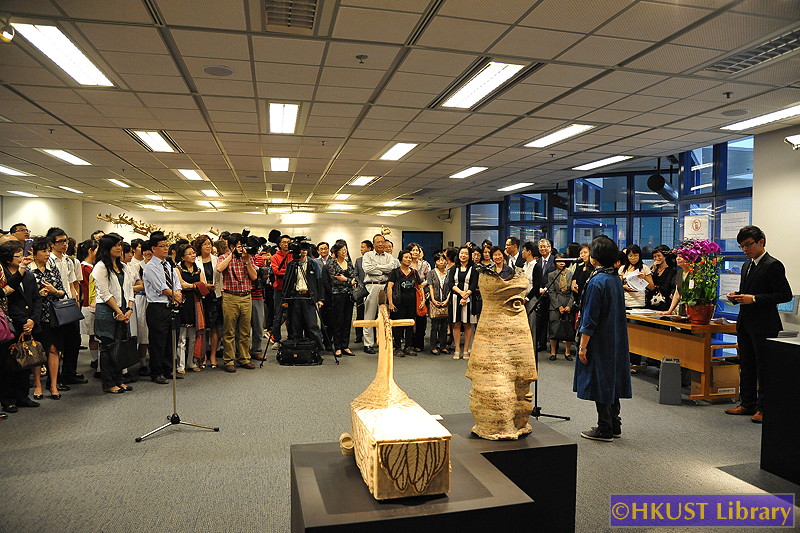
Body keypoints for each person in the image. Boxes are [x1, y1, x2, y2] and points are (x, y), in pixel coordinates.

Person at [724, 225, 792, 424]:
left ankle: (765, 408)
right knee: (746, 365)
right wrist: (736, 296)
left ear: (761, 242)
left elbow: (784, 295)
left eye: (748, 245)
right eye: (741, 246)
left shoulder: (773, 265)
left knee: (764, 368)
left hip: (765, 325)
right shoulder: (747, 265)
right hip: (746, 323)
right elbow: (749, 292)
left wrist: (754, 299)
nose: (745, 249)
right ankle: (747, 404)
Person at [574, 236, 632, 442]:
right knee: (611, 380)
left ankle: (604, 427)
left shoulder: (597, 281)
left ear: (595, 258)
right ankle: (615, 424)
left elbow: (590, 318)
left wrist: (583, 346)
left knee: (599, 381)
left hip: (600, 340)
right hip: (615, 338)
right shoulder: (614, 278)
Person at [0, 240, 41, 413]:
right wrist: (23, 321)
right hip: (12, 325)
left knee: (26, 360)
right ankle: (8, 399)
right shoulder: (4, 277)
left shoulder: (29, 274)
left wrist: (33, 319)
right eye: (18, 255)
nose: (23, 258)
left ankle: (23, 395)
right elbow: (7, 300)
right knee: (8, 364)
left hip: (29, 323)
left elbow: (36, 298)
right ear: (8, 259)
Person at [92, 234, 135, 394]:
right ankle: (109, 383)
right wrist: (118, 311)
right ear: (106, 247)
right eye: (116, 245)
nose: (119, 248)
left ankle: (119, 380)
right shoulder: (101, 267)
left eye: (120, 244)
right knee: (108, 347)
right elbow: (104, 293)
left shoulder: (123, 267)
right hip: (107, 311)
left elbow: (130, 289)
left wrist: (129, 309)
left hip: (123, 310)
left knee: (120, 347)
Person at [29, 237, 68, 400]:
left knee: (54, 350)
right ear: (34, 253)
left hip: (53, 315)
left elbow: (62, 292)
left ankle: (53, 384)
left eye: (48, 251)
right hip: (37, 316)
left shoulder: (52, 270)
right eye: (43, 251)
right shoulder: (29, 271)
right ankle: (37, 385)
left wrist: (53, 291)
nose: (47, 254)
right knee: (38, 351)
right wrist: (38, 294)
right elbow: (24, 296)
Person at [46, 228, 85, 386]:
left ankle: (70, 372)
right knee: (57, 344)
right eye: (60, 241)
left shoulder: (69, 260)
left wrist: (76, 299)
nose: (64, 244)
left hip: (69, 304)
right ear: (52, 244)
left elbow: (73, 282)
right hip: (54, 306)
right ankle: (55, 379)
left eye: (66, 241)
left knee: (74, 341)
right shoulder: (49, 260)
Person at [143, 232, 183, 384]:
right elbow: (162, 288)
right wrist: (175, 295)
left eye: (167, 245)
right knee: (158, 342)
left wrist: (178, 292)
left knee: (170, 341)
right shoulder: (150, 267)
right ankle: (157, 372)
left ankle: (168, 370)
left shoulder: (168, 264)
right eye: (162, 246)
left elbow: (176, 282)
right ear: (153, 248)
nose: (166, 248)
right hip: (157, 308)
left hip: (172, 306)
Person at [217, 233, 258, 372]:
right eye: (240, 246)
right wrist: (232, 255)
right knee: (229, 331)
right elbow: (219, 269)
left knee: (245, 331)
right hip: (230, 297)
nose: (242, 249)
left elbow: (254, 277)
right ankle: (229, 360)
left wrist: (246, 261)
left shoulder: (248, 257)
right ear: (233, 246)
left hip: (246, 296)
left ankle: (244, 358)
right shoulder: (223, 257)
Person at [282, 245, 325, 351]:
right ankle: (297, 349)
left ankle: (317, 348)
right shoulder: (292, 264)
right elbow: (286, 282)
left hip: (309, 296)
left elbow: (319, 281)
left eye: (306, 249)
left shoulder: (313, 263)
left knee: (312, 325)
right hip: (295, 296)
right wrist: (285, 300)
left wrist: (320, 299)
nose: (304, 252)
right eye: (301, 249)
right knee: (295, 324)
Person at [619, 244, 655, 371]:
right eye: (630, 255)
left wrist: (643, 277)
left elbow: (651, 287)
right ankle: (624, 361)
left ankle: (635, 361)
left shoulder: (644, 268)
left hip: (638, 304)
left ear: (639, 256)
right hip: (624, 303)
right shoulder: (622, 269)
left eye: (635, 255)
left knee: (636, 334)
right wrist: (624, 286)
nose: (633, 258)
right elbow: (617, 284)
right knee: (624, 333)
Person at [361, 234, 398, 354]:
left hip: (386, 287)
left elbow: (392, 268)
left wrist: (376, 267)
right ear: (373, 244)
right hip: (372, 286)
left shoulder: (389, 256)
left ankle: (384, 341)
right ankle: (368, 344)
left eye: (382, 242)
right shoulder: (368, 255)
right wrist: (384, 269)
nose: (381, 244)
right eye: (378, 242)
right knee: (369, 315)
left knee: (385, 316)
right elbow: (367, 269)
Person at [175, 243, 206, 374]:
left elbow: (203, 284)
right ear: (182, 257)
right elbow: (181, 285)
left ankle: (191, 362)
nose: (193, 255)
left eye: (194, 253)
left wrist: (193, 286)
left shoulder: (198, 269)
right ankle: (180, 364)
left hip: (196, 303)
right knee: (181, 338)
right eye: (189, 253)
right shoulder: (177, 269)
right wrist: (196, 286)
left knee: (193, 336)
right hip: (183, 303)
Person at [387, 249, 422, 357]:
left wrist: (423, 300)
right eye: (406, 257)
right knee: (398, 325)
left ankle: (408, 346)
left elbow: (419, 287)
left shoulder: (414, 272)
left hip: (411, 303)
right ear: (401, 259)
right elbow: (389, 287)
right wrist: (390, 303)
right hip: (399, 303)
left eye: (410, 258)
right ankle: (397, 348)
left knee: (410, 325)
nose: (408, 259)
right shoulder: (395, 272)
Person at [194, 235, 221, 368]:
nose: (208, 246)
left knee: (215, 327)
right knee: (203, 327)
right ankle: (202, 355)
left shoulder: (217, 260)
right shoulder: (196, 261)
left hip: (216, 295)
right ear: (199, 247)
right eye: (205, 244)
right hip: (201, 296)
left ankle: (213, 355)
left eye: (209, 244)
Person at [447, 246, 478, 360]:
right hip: (456, 298)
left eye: (466, 253)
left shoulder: (474, 268)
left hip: (469, 299)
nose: (463, 255)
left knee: (467, 324)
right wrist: (461, 293)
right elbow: (450, 284)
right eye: (461, 253)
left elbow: (474, 284)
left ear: (469, 256)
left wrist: (466, 295)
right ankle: (457, 349)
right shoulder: (453, 268)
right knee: (456, 324)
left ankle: (466, 350)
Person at [327, 241, 355, 356]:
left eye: (345, 249)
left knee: (347, 320)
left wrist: (346, 280)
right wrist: (348, 281)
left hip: (349, 294)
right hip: (337, 294)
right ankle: (337, 346)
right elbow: (334, 280)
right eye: (342, 250)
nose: (344, 252)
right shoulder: (332, 263)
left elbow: (353, 277)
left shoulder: (348, 261)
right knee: (338, 320)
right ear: (336, 251)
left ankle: (345, 345)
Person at [547, 254, 575, 361]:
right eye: (559, 261)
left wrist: (569, 305)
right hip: (555, 304)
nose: (561, 263)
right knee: (554, 327)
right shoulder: (551, 275)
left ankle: (567, 352)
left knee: (568, 328)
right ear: (555, 262)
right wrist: (558, 305)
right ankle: (553, 352)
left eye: (563, 261)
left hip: (568, 301)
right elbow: (551, 291)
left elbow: (573, 291)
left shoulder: (571, 274)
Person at [408, 243, 430, 353]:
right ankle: (410, 343)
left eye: (417, 250)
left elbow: (429, 277)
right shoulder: (406, 263)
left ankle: (419, 343)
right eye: (413, 250)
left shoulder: (424, 264)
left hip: (421, 293)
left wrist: (422, 284)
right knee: (411, 318)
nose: (416, 252)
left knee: (421, 318)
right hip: (409, 294)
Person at [270, 235, 293, 343]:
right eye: (284, 242)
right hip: (279, 288)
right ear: (279, 244)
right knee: (278, 315)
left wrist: (284, 271)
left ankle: (292, 337)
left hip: (292, 289)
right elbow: (276, 272)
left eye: (288, 242)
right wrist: (288, 271)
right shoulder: (275, 257)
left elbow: (296, 271)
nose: (286, 244)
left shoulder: (293, 256)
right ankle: (276, 339)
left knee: (292, 315)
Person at [535, 238, 556, 352]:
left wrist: (546, 288)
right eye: (540, 247)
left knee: (552, 321)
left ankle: (553, 346)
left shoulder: (555, 260)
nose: (543, 249)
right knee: (541, 320)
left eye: (545, 246)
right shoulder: (537, 261)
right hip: (540, 296)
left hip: (551, 295)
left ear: (550, 248)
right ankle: (541, 343)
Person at [427, 252, 450, 355]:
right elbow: (430, 286)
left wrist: (447, 300)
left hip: (446, 300)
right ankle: (433, 346)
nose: (441, 262)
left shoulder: (449, 272)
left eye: (443, 259)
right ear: (435, 262)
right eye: (438, 260)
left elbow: (451, 287)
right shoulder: (431, 273)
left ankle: (443, 346)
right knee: (434, 325)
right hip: (435, 300)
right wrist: (433, 299)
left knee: (445, 325)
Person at [353, 239, 372, 344]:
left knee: (371, 314)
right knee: (360, 313)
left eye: (363, 247)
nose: (361, 249)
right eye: (361, 247)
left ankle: (370, 336)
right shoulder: (358, 260)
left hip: (372, 288)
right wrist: (360, 284)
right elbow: (355, 274)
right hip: (361, 289)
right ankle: (358, 335)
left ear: (369, 248)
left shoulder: (374, 259)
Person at [646, 244, 676, 312]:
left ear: (665, 256)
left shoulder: (671, 270)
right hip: (651, 302)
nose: (656, 258)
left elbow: (669, 287)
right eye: (654, 256)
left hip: (665, 303)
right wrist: (653, 270)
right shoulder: (653, 270)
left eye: (659, 256)